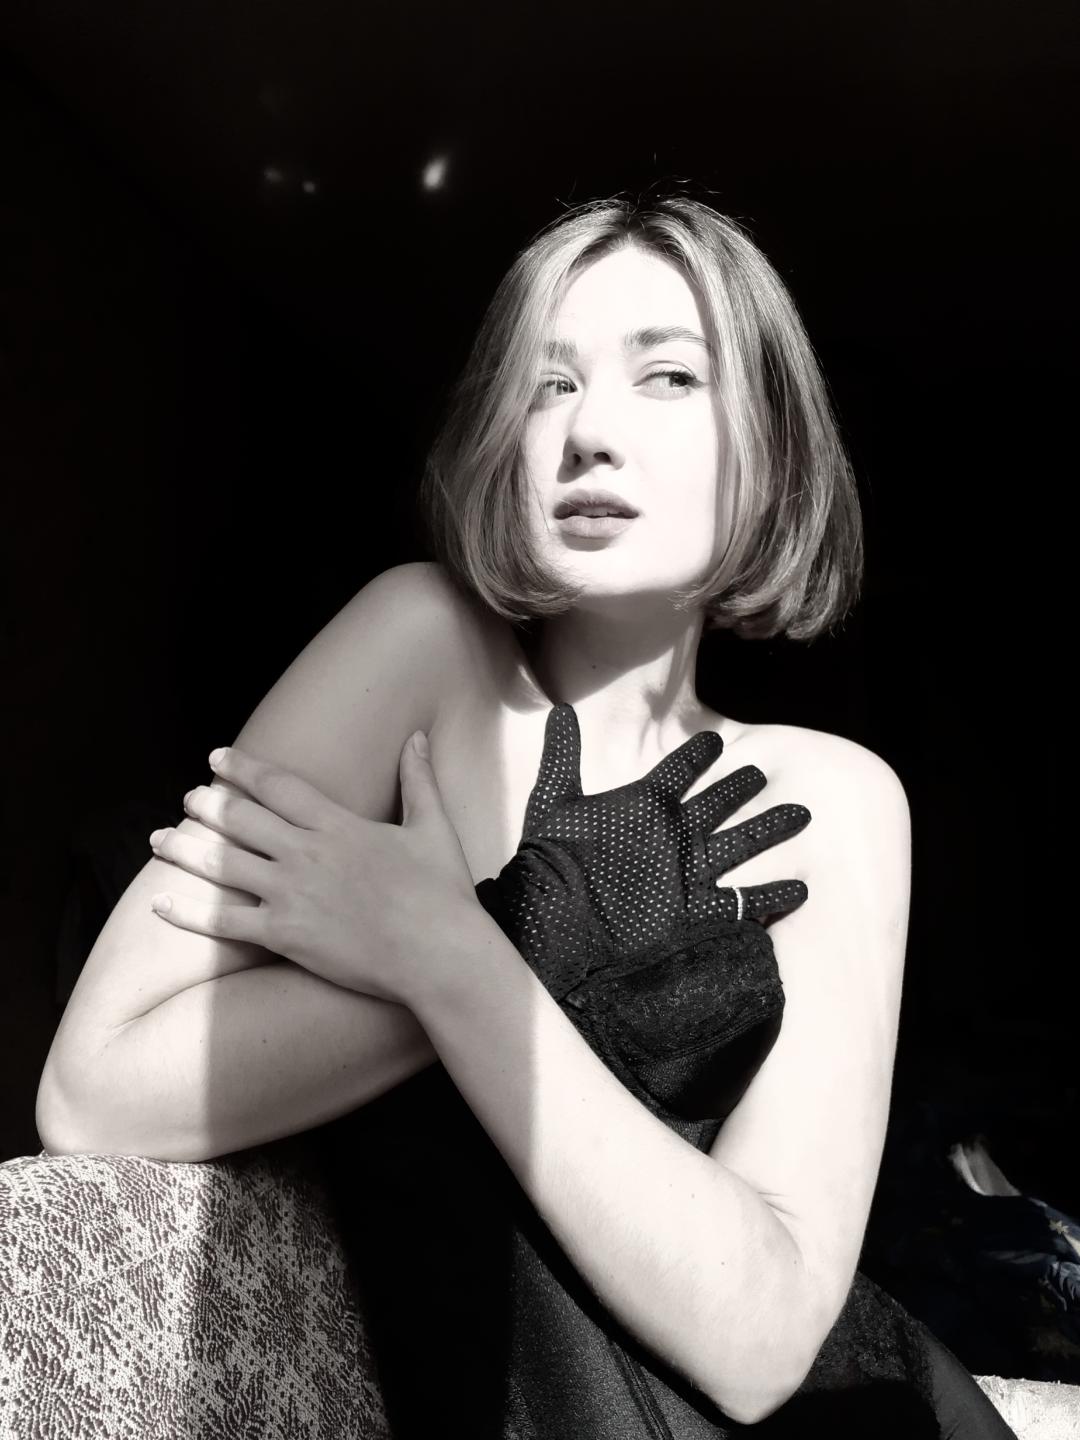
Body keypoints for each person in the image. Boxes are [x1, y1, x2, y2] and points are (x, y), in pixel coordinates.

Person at [37, 193, 1016, 1437]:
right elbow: (95, 1093)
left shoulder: (830, 796)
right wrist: (508, 938)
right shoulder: (416, 649)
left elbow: (766, 1346)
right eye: (550, 385)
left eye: (669, 376)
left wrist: (460, 955)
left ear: (769, 444)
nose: (589, 432)